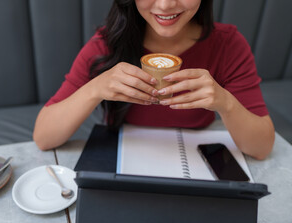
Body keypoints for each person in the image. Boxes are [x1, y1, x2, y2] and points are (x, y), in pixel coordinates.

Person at [33, 0, 275, 160]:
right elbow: (44, 137)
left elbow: (262, 148)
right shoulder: (105, 45)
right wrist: (94, 89)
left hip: (198, 155)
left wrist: (225, 102)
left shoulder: (228, 45)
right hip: (125, 156)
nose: (166, 4)